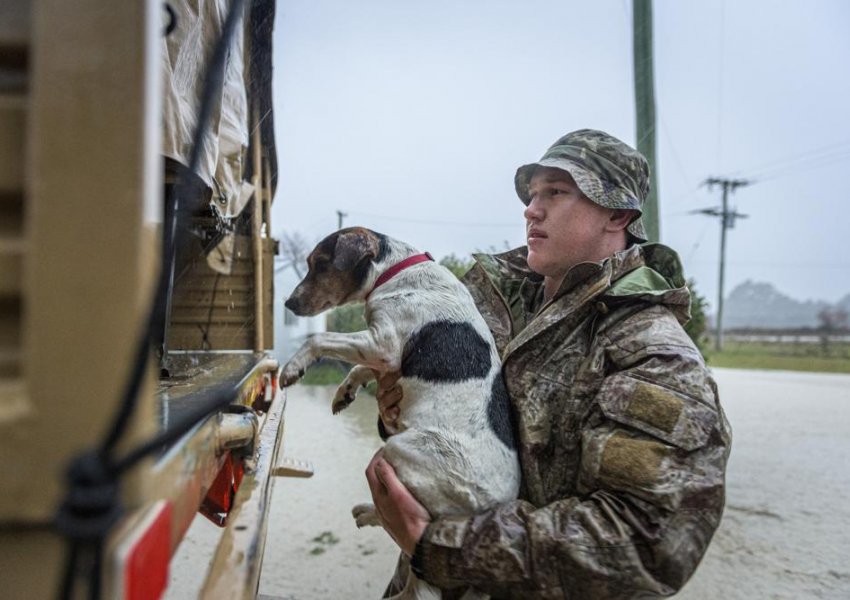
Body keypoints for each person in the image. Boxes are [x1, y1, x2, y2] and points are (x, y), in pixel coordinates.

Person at [365, 129, 732, 598]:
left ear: (617, 213)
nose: (531, 209)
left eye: (556, 193)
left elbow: (643, 540)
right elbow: (438, 419)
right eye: (532, 193)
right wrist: (396, 410)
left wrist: (437, 546)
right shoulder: (481, 303)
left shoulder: (652, 353)